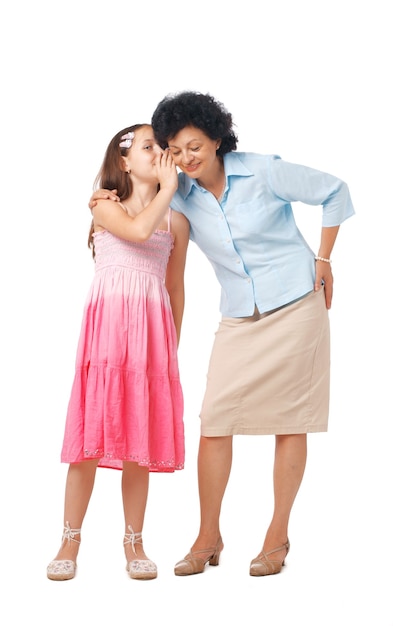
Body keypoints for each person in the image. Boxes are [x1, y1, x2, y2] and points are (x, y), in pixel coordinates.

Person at [89, 92, 355, 577]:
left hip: (296, 302)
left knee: (290, 419)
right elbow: (142, 222)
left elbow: (337, 190)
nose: (188, 157)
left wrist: (324, 256)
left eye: (196, 145)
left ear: (216, 138)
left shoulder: (263, 171)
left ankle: (277, 535)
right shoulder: (180, 194)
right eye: (176, 148)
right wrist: (111, 192)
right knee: (214, 422)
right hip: (239, 313)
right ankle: (208, 535)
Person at [47, 124, 189, 582]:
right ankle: (70, 538)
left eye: (160, 147)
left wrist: (172, 347)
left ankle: (134, 541)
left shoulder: (177, 223)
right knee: (88, 439)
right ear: (125, 162)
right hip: (108, 334)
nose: (159, 153)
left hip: (150, 339)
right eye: (149, 147)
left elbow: (174, 287)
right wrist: (169, 188)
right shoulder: (105, 207)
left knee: (137, 443)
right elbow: (138, 228)